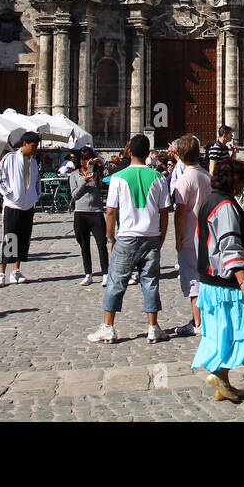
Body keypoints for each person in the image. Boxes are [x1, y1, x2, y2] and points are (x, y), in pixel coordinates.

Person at [191, 158, 244, 402]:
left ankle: (223, 384)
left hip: (210, 280)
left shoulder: (210, 200)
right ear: (235, 179)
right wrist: (243, 279)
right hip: (226, 283)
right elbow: (229, 243)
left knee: (222, 331)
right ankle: (218, 374)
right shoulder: (225, 205)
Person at [89, 134, 171, 344]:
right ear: (148, 153)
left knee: (116, 282)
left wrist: (110, 237)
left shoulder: (118, 178)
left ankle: (108, 327)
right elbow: (164, 212)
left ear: (129, 152)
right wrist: (161, 235)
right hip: (151, 236)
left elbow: (110, 211)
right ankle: (153, 327)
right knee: (151, 282)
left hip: (127, 236)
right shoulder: (159, 178)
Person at [172, 135, 212, 337]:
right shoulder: (208, 177)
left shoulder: (184, 180)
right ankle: (206, 317)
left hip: (189, 236)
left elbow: (180, 212)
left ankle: (198, 323)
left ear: (179, 155)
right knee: (205, 277)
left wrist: (177, 237)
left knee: (192, 280)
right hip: (208, 236)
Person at [0, 131, 41, 287]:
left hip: (28, 205)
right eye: (33, 146)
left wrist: (36, 195)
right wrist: (10, 195)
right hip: (13, 204)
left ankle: (16, 270)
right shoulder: (10, 158)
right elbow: (0, 177)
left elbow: (36, 180)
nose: (35, 149)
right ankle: (2, 272)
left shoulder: (33, 162)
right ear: (25, 144)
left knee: (23, 238)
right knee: (10, 238)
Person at [71, 150, 108, 286]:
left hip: (96, 212)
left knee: (101, 243)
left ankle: (105, 273)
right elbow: (75, 195)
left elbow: (110, 170)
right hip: (80, 212)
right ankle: (88, 274)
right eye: (84, 159)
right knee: (84, 245)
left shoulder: (96, 174)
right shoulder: (74, 175)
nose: (86, 162)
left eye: (89, 159)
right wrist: (83, 181)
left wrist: (98, 162)